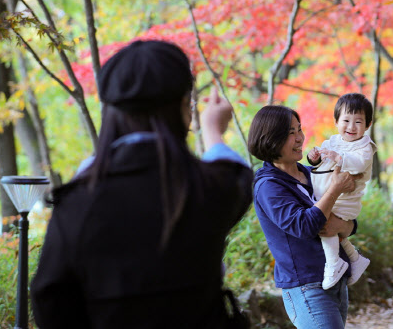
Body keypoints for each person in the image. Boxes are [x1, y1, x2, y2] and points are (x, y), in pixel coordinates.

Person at [30, 41, 254, 329]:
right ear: (185, 109)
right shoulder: (208, 187)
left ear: (110, 112)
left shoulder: (78, 202)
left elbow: (49, 297)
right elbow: (237, 175)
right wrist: (212, 130)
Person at [250, 105, 358, 329]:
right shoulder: (268, 186)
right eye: (291, 132)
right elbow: (304, 226)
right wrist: (334, 190)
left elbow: (347, 219)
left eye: (299, 129)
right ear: (270, 138)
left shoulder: (310, 173)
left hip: (335, 279)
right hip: (306, 287)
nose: (300, 138)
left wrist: (344, 225)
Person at [306, 93, 376, 290]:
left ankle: (333, 263)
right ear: (336, 121)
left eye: (358, 122)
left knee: (325, 223)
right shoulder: (332, 142)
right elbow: (320, 158)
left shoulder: (365, 147)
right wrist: (314, 157)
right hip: (328, 195)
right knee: (328, 225)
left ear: (368, 125)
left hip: (346, 199)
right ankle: (355, 258)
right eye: (346, 120)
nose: (351, 127)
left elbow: (360, 164)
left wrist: (339, 158)